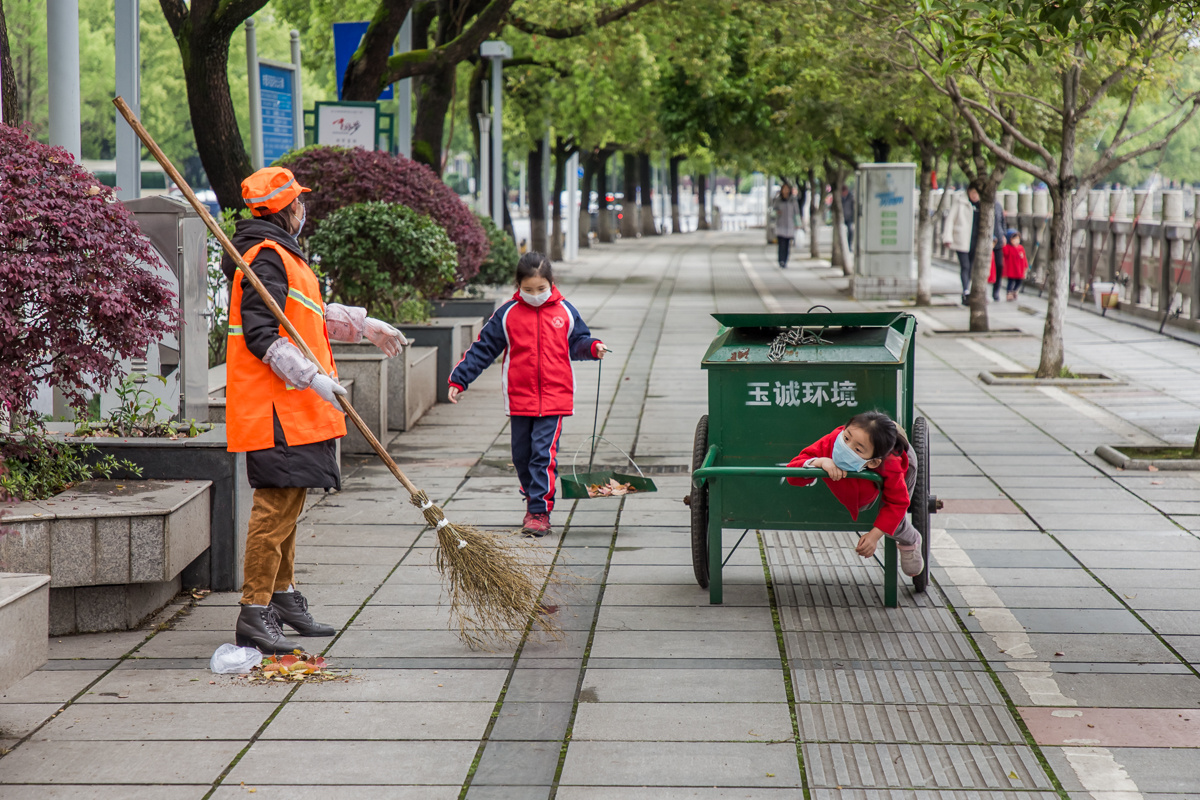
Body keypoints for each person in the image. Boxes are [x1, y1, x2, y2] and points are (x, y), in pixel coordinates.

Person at [222, 166, 409, 654]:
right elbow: (265, 337)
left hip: (295, 409)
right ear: (288, 209)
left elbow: (307, 311)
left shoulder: (283, 257)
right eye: (300, 202)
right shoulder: (264, 259)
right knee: (274, 508)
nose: (305, 209)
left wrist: (366, 325)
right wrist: (314, 378)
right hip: (276, 410)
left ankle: (281, 596)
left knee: (290, 504)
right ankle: (254, 611)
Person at [447, 252, 607, 537]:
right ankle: (533, 491)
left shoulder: (565, 312)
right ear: (518, 285)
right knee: (522, 455)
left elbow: (578, 341)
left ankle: (538, 511)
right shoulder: (507, 314)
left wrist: (593, 348)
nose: (535, 295)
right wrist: (459, 380)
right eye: (528, 290)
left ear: (551, 283)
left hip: (556, 397)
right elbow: (483, 348)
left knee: (542, 455)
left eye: (541, 289)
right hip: (520, 397)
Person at [785, 411, 924, 578]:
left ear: (873, 462)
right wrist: (819, 462)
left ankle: (911, 540)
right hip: (863, 475)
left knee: (893, 523)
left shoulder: (892, 464)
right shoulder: (835, 439)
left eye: (857, 448)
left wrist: (874, 535)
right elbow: (792, 472)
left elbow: (897, 503)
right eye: (846, 438)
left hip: (901, 464)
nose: (846, 447)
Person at [943, 187, 979, 305]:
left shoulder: (983, 205)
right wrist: (947, 237)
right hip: (962, 239)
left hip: (976, 241)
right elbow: (950, 220)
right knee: (965, 265)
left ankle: (969, 290)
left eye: (977, 193)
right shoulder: (960, 202)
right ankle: (966, 290)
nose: (975, 195)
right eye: (973, 192)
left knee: (971, 266)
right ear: (969, 191)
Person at [772, 184, 801, 268]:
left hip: (789, 225)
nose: (785, 191)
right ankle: (780, 260)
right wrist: (776, 213)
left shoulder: (793, 200)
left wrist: (798, 224)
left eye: (787, 189)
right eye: (784, 189)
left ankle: (785, 260)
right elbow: (773, 211)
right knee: (781, 244)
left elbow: (796, 213)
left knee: (787, 244)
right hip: (780, 224)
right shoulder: (778, 200)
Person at [1003, 229, 1028, 300]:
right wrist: (1004, 244)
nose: (1016, 241)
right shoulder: (1008, 248)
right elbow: (1005, 253)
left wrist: (1026, 266)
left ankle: (1015, 290)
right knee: (1010, 282)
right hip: (1012, 269)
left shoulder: (1021, 248)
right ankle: (1009, 293)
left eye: (1018, 239)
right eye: (1014, 239)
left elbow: (1024, 258)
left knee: (1019, 281)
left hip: (1019, 269)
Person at [990, 199, 1007, 301]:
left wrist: (1003, 234)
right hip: (985, 241)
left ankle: (996, 290)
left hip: (998, 240)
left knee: (999, 265)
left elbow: (1002, 221)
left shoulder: (997, 205)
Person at [841, 185, 855, 249]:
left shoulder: (851, 197)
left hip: (849, 217)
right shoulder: (840, 198)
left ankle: (849, 245)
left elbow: (853, 208)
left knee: (850, 231)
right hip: (842, 218)